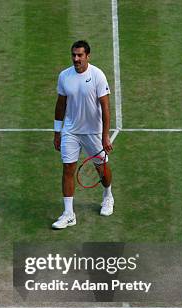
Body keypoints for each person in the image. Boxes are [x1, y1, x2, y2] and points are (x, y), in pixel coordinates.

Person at [52, 40, 114, 230]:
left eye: (80, 55)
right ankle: (69, 214)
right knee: (68, 168)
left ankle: (108, 196)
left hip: (93, 131)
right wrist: (57, 131)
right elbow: (60, 104)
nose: (76, 59)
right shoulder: (64, 76)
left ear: (87, 56)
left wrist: (105, 136)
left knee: (101, 168)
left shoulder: (97, 75)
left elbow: (105, 108)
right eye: (73, 55)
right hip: (70, 130)